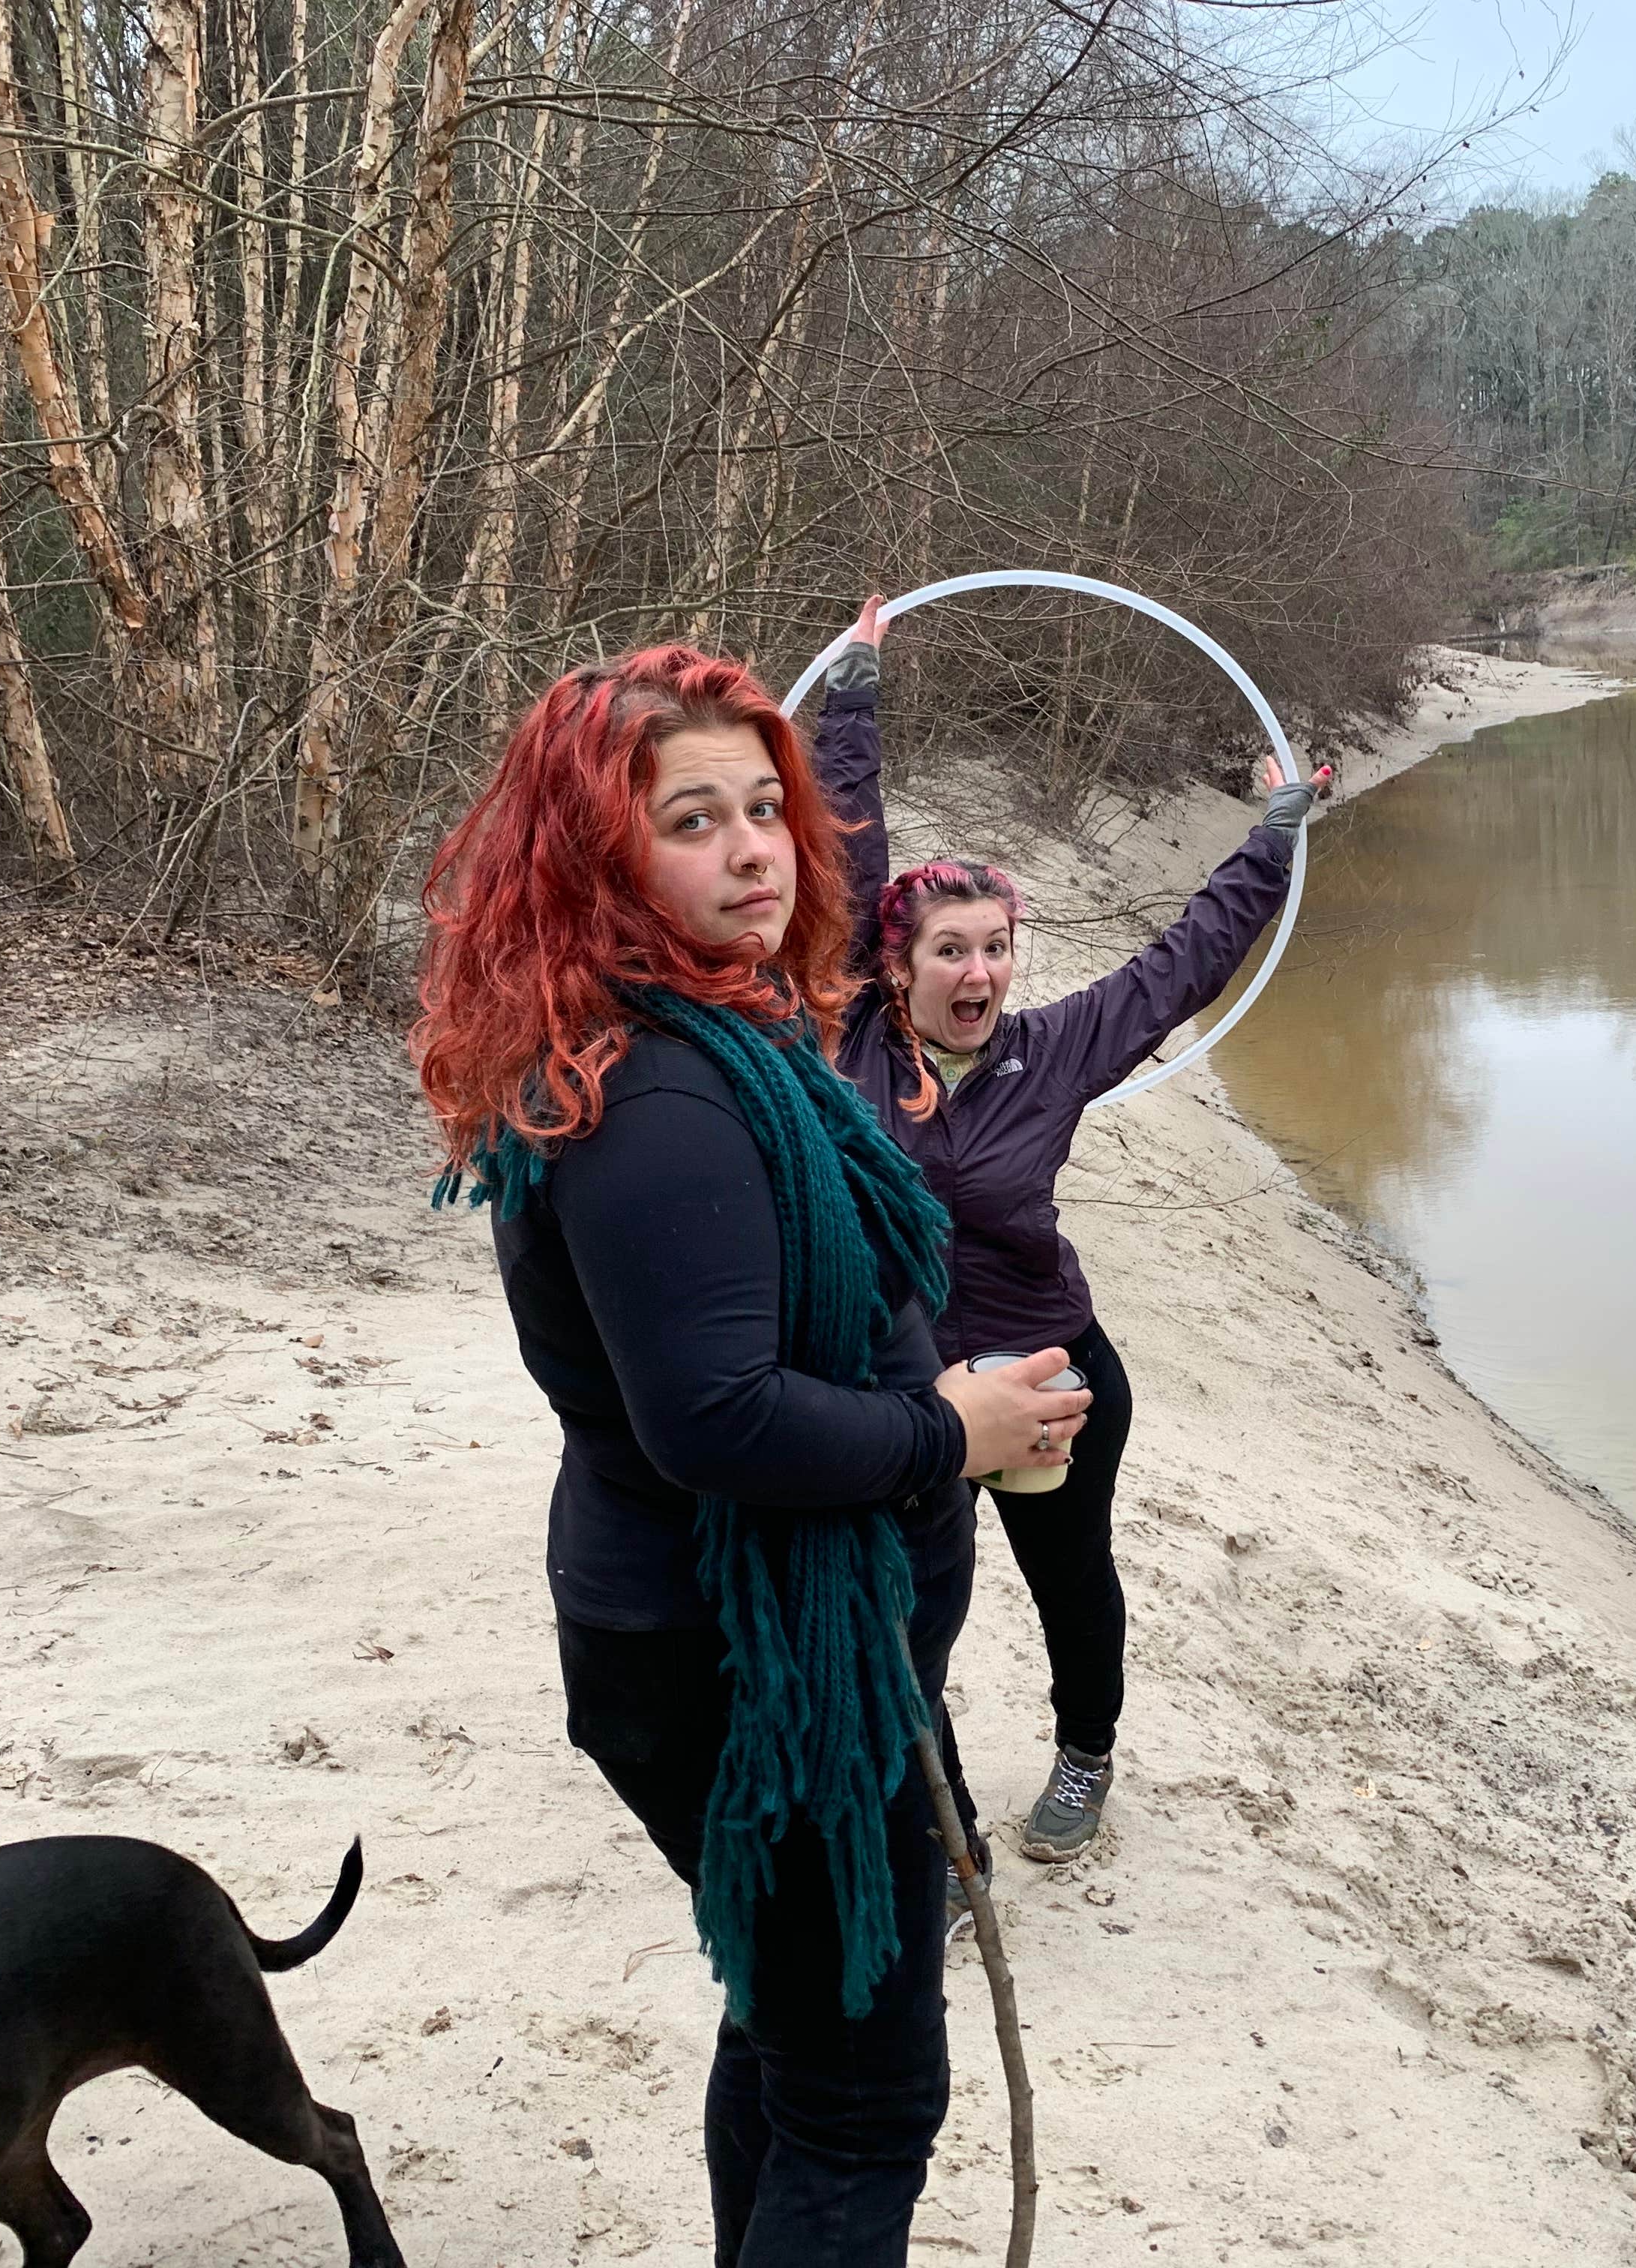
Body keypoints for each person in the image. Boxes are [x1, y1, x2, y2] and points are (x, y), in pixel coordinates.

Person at [412, 644, 1092, 2267]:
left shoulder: (716, 1029)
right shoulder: (658, 1093)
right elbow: (712, 1418)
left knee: (788, 2035)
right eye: (692, 820)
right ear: (594, 855)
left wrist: (930, 1395)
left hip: (763, 1643)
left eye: (763, 809)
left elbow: (763, 1344)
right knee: (862, 2105)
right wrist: (952, 1427)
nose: (754, 849)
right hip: (744, 1661)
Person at [808, 596, 1317, 1873]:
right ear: (898, 963)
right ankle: (942, 1826)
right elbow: (846, 856)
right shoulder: (849, 1039)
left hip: (1052, 1374)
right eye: (952, 952)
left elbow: (1184, 962)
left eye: (998, 948)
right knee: (904, 1611)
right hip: (904, 1381)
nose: (980, 974)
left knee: (1067, 1579)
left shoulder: (1056, 1050)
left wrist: (1276, 835)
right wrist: (855, 698)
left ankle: (1085, 1753)